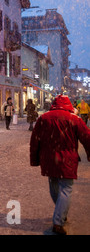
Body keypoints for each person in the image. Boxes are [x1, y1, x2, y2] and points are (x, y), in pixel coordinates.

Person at [30, 95, 90, 235]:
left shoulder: (44, 118)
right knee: (66, 189)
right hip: (67, 159)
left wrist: (35, 159)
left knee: (54, 185)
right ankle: (58, 221)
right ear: (69, 105)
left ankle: (60, 212)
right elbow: (87, 137)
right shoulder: (74, 119)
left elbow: (35, 140)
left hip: (49, 159)